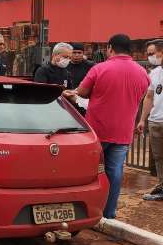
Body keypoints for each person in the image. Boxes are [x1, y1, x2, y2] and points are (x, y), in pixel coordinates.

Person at [64, 34, 149, 219]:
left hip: (98, 131)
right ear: (130, 50)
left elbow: (83, 92)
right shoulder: (142, 72)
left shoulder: (99, 68)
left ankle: (83, 211)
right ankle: (109, 213)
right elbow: (141, 95)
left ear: (110, 48)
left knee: (87, 172)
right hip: (123, 132)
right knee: (115, 172)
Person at [137, 39, 163, 201]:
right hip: (156, 121)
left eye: (154, 54)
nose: (152, 58)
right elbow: (149, 96)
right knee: (159, 157)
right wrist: (142, 119)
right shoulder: (155, 73)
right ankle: (162, 185)